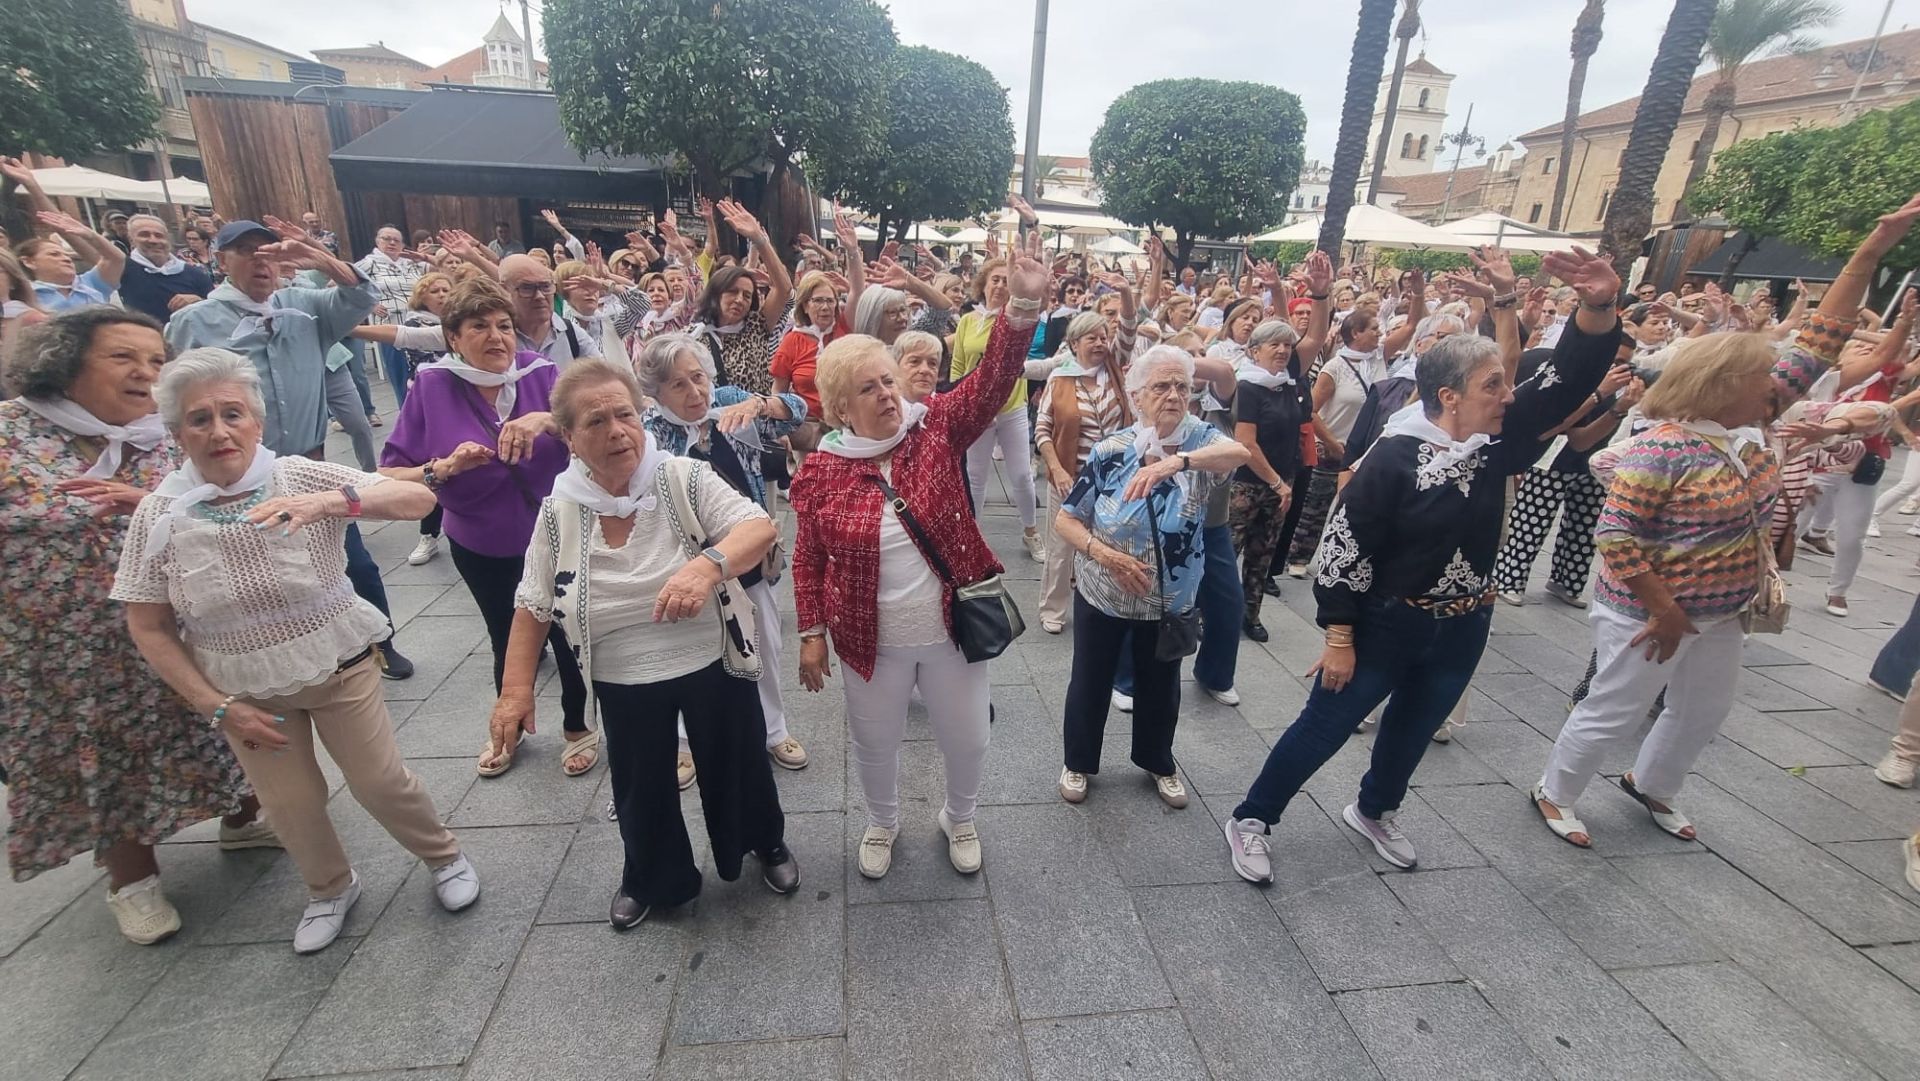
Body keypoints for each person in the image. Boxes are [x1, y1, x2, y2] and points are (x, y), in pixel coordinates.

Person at [1221, 247, 1620, 881]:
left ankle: (1374, 808)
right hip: (1385, 622)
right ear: (1448, 396)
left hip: (1464, 622)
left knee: (1414, 727)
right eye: (1492, 386)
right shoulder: (1395, 457)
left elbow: (1567, 379)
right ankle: (1252, 817)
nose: (1507, 396)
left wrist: (1596, 306)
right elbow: (1342, 551)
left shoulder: (1494, 442)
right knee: (1326, 725)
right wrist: (1341, 635)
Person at [1532, 199, 1920, 849]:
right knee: (1615, 708)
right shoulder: (1662, 445)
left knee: (1703, 710)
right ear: (1722, 382)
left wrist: (1874, 249)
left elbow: (1825, 333)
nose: (1778, 377)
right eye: (1762, 372)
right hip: (1647, 611)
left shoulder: (1752, 418)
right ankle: (1555, 790)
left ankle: (1652, 782)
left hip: (1721, 611)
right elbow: (1617, 536)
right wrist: (1665, 612)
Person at [113, 348, 477, 954]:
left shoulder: (298, 476)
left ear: (257, 423)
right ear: (176, 434)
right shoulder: (161, 512)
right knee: (290, 801)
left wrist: (330, 503)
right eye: (199, 419)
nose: (220, 430)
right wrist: (215, 705)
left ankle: (443, 856)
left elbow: (418, 501)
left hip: (338, 665)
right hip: (244, 690)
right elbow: (147, 625)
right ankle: (329, 887)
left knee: (379, 781)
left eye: (233, 413)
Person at [490, 360, 796, 928]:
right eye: (596, 421)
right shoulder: (559, 510)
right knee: (640, 784)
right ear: (570, 438)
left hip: (710, 655)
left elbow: (757, 527)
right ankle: (654, 878)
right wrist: (514, 693)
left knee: (739, 764)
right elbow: (532, 604)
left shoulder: (681, 476)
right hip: (621, 672)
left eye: (625, 414)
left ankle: (763, 844)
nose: (616, 431)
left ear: (642, 416)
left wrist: (706, 569)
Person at [1, 310, 273, 945]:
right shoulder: (14, 433)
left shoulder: (174, 433)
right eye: (124, 358)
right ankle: (132, 878)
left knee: (217, 725)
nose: (145, 374)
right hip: (67, 649)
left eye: (156, 360)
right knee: (106, 755)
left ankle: (244, 818)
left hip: (183, 625)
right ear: (66, 363)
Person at [791, 236, 1048, 880]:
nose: (885, 394)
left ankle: (959, 817)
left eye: (887, 380)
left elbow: (991, 383)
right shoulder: (822, 471)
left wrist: (1021, 305)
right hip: (866, 637)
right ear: (840, 407)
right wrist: (811, 632)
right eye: (867, 388)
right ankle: (881, 822)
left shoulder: (934, 426)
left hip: (949, 629)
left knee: (968, 739)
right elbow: (807, 558)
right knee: (873, 744)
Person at [165, 217, 415, 680]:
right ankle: (268, 660)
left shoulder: (303, 305)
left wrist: (320, 260)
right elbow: (180, 401)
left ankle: (382, 641)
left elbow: (362, 297)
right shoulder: (194, 321)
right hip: (235, 477)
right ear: (220, 261)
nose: (261, 261)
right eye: (246, 251)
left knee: (355, 563)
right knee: (253, 573)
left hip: (306, 466)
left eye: (269, 251)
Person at [376, 277, 595, 778]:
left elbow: (598, 430)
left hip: (558, 532)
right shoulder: (432, 385)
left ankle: (578, 726)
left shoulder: (543, 375)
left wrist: (544, 420)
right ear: (453, 336)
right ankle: (509, 725)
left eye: (503, 326)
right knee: (506, 634)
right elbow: (389, 472)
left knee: (568, 633)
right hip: (482, 538)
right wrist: (443, 468)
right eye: (479, 327)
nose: (497, 337)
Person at [1054, 345, 1251, 808]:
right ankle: (1077, 762)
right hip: (1105, 589)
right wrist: (1107, 556)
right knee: (1091, 678)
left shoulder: (1202, 442)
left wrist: (1176, 461)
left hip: (1171, 597)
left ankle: (1158, 762)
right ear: (1138, 396)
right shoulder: (1112, 450)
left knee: (1162, 685)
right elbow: (1067, 519)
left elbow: (1240, 452)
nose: (1173, 395)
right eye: (1161, 386)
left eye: (1182, 386)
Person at [635, 333, 811, 787]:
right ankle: (683, 743)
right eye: (679, 385)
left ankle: (775, 730)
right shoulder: (650, 433)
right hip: (684, 566)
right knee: (680, 654)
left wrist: (761, 405)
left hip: (748, 557)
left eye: (698, 378)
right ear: (656, 392)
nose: (695, 393)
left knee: (766, 646)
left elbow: (799, 411)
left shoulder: (731, 402)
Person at [1493, 349, 1643, 607]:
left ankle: (1568, 582)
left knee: (1584, 526)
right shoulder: (1571, 381)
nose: (1619, 370)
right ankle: (1509, 579)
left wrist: (1619, 404)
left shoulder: (1624, 390)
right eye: (1614, 362)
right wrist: (1603, 396)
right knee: (1531, 521)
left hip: (1594, 463)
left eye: (1625, 364)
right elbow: (1576, 437)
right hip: (1552, 459)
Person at [1033, 310, 1136, 633]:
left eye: (1103, 337)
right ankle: (1053, 608)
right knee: (1061, 548)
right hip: (1069, 477)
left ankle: (1104, 603)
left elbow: (1130, 328)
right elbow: (1042, 430)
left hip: (1113, 479)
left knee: (1108, 543)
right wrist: (1057, 469)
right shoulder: (1060, 378)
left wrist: (1127, 299)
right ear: (1074, 343)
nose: (1100, 343)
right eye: (1092, 337)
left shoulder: (1115, 371)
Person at [1228, 319, 1312, 641]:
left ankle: (1250, 614)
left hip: (1282, 486)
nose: (1282, 350)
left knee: (1261, 556)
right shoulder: (1248, 386)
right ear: (1254, 351)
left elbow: (1315, 334)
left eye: (1287, 345)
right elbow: (1247, 442)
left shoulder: (1289, 384)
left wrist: (1283, 483)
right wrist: (1277, 482)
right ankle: (1208, 613)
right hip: (1247, 484)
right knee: (1228, 552)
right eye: (1273, 345)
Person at [689, 200, 794, 394]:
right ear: (716, 293)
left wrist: (759, 240)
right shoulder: (693, 335)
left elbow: (784, 289)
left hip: (754, 421)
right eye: (732, 291)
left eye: (747, 295)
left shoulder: (757, 325)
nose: (740, 299)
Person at [354, 224, 427, 412]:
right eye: (387, 239)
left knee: (423, 376)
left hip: (419, 327)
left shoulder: (411, 262)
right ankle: (408, 422)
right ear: (377, 241)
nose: (392, 243)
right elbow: (340, 283)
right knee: (402, 378)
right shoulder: (370, 262)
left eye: (396, 240)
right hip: (391, 328)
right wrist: (369, 304)